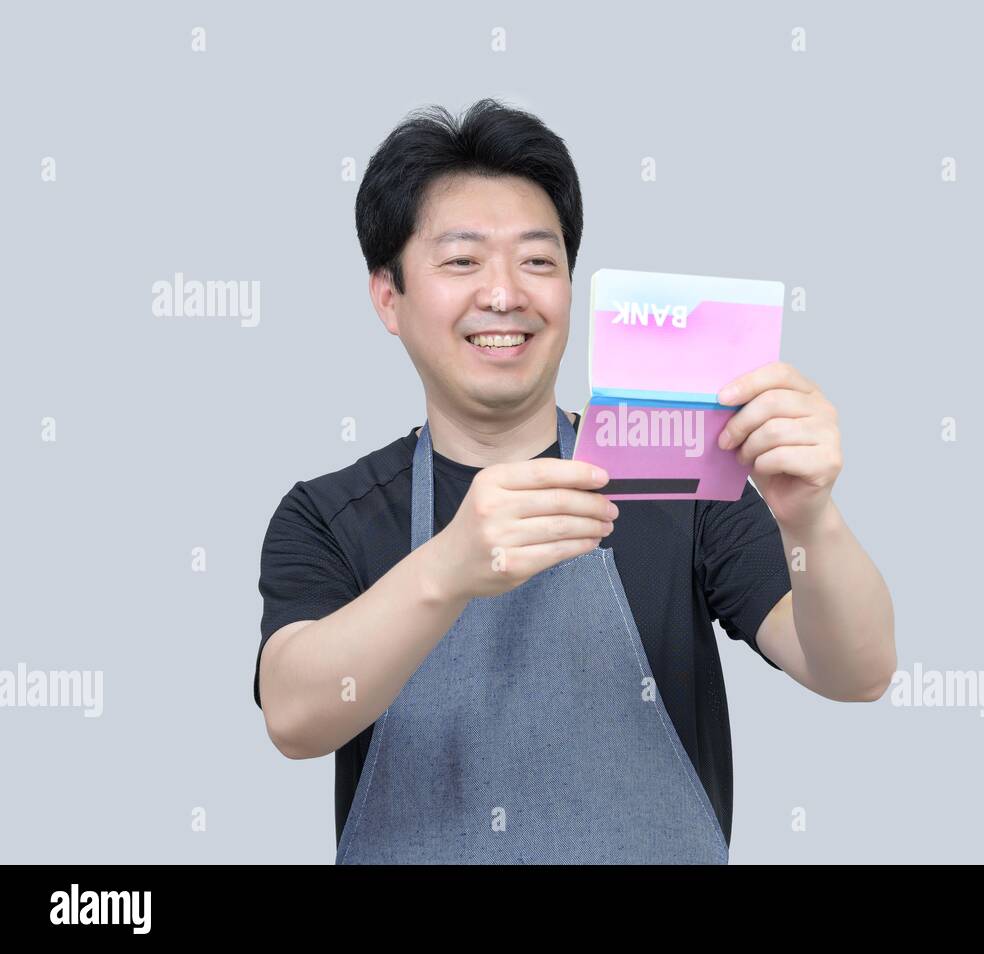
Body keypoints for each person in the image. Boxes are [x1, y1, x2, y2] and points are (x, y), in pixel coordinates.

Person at [254, 99, 896, 864]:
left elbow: (856, 671)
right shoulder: (332, 515)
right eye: (462, 261)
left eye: (538, 261)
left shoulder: (678, 480)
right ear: (388, 297)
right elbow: (295, 718)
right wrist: (449, 569)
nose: (504, 295)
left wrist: (811, 520)